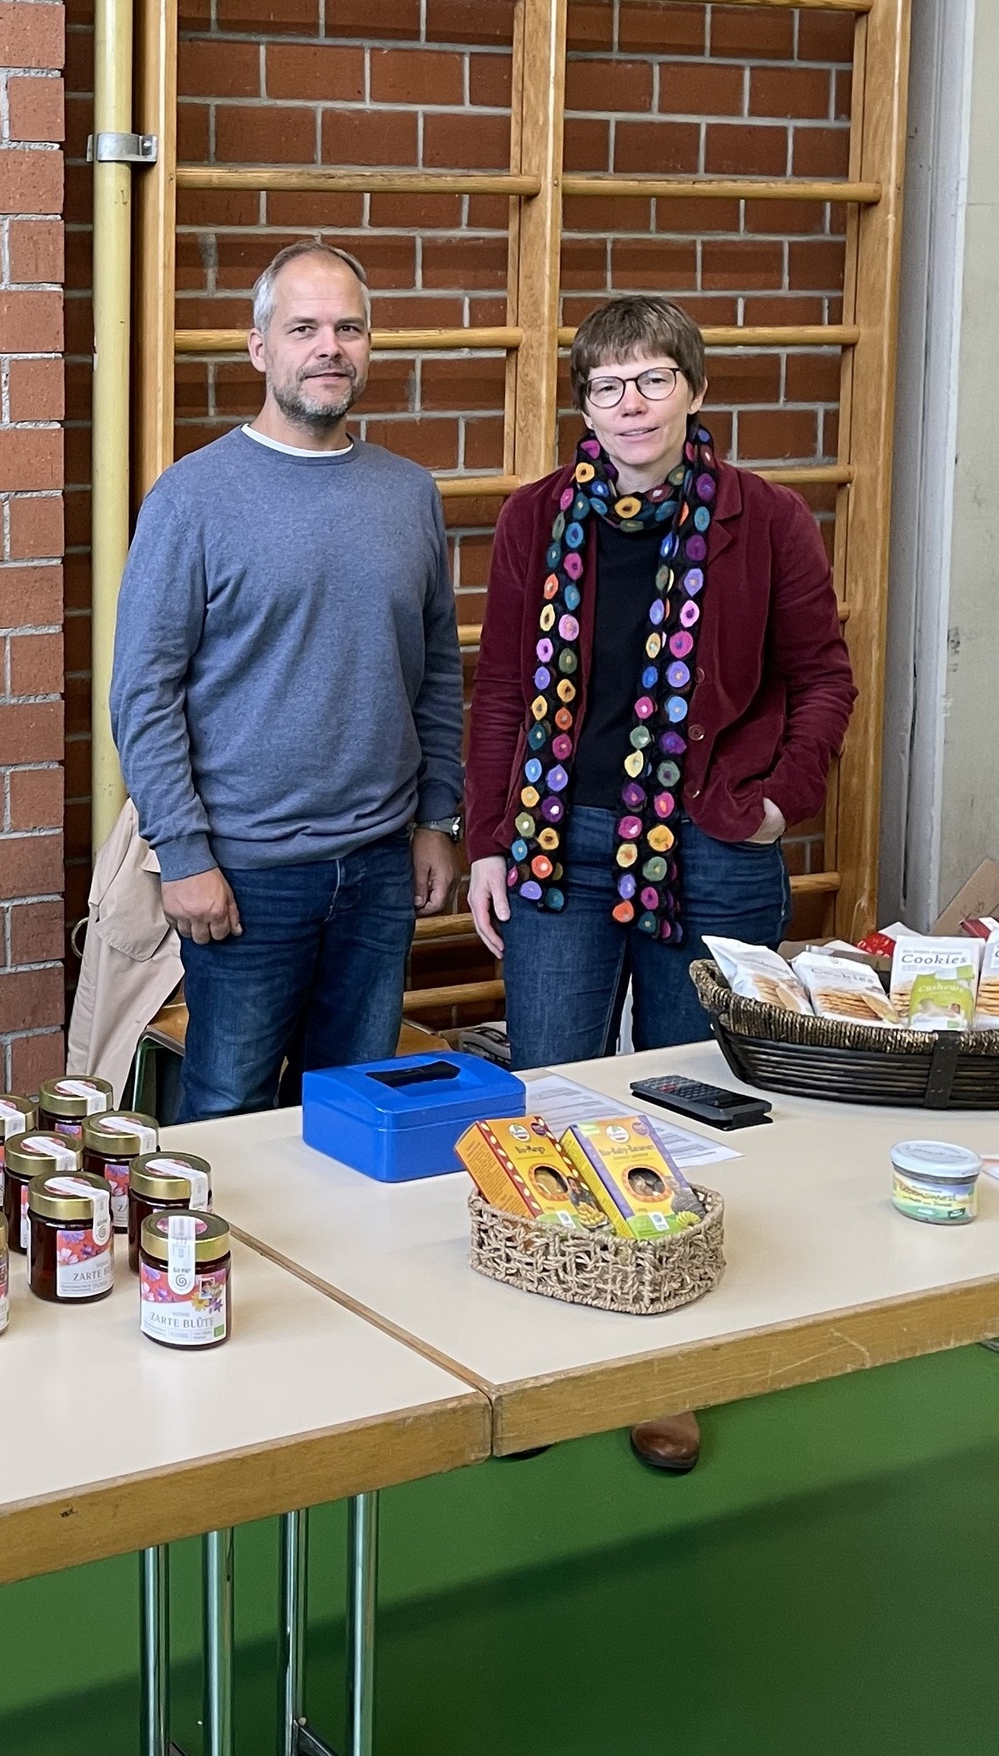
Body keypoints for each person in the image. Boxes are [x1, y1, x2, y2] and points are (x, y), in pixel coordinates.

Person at [465, 294, 856, 1473]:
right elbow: (496, 692)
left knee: (691, 1103)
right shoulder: (539, 518)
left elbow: (822, 675)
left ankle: (668, 1369)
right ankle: (539, 1360)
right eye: (605, 385)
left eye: (650, 380)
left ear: (692, 389)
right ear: (582, 404)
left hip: (714, 847)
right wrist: (487, 836)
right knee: (551, 1093)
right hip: (560, 844)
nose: (628, 405)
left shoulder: (766, 518)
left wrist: (780, 801)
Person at [111, 240, 464, 1119]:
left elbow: (437, 674)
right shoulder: (192, 499)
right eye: (304, 326)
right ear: (260, 347)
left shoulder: (409, 493)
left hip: (380, 869)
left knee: (350, 1115)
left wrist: (435, 819)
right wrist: (182, 855)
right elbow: (142, 695)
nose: (329, 347)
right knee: (226, 1116)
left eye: (349, 328)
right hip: (245, 873)